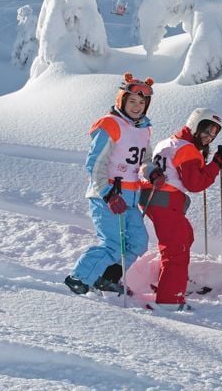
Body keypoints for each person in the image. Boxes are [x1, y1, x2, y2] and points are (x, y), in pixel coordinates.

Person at [65, 73, 162, 295]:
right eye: (132, 101)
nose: (137, 107)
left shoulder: (143, 128)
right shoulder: (110, 124)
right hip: (108, 195)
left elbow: (144, 160)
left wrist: (152, 172)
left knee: (138, 243)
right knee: (112, 244)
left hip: (131, 197)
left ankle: (106, 279)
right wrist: (108, 194)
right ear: (121, 101)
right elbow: (95, 164)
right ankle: (77, 278)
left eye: (142, 103)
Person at [142, 108, 222, 310]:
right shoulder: (187, 148)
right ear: (195, 125)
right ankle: (170, 300)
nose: (209, 137)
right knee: (177, 250)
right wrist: (215, 165)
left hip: (156, 199)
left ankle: (171, 281)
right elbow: (195, 184)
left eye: (214, 134)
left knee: (185, 236)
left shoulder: (170, 142)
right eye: (206, 130)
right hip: (166, 200)